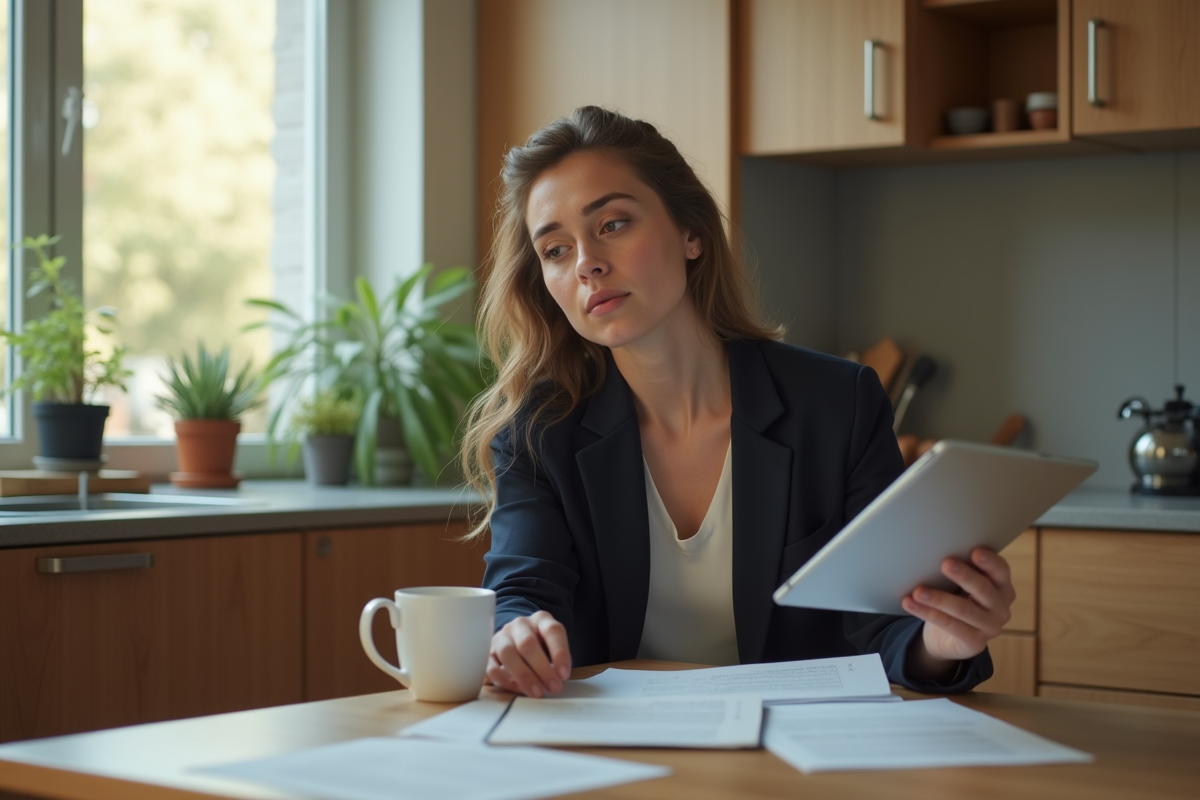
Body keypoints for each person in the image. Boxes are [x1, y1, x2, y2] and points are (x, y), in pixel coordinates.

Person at [460, 106, 1013, 699]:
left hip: (793, 759)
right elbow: (524, 589)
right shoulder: (540, 433)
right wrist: (516, 633)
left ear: (692, 234)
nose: (587, 262)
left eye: (613, 224)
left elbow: (888, 623)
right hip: (615, 757)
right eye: (555, 250)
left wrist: (943, 643)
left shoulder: (837, 405)